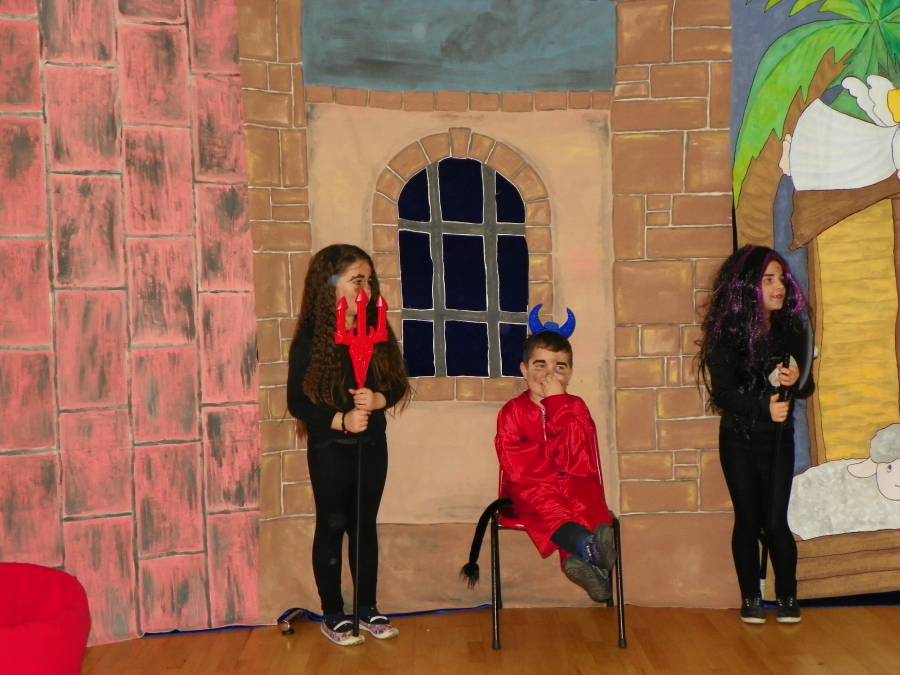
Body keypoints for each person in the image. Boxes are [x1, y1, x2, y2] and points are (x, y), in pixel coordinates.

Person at [287, 243, 409, 646]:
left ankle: (367, 607)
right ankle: (334, 612)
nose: (366, 290)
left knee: (363, 525)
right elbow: (297, 402)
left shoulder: (376, 329)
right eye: (357, 280)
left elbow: (397, 383)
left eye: (369, 281)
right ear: (330, 284)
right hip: (330, 449)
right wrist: (340, 419)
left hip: (372, 445)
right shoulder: (311, 340)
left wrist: (378, 399)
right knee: (333, 524)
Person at [697, 244, 814, 625]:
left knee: (776, 521)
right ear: (747, 286)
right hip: (739, 439)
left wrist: (796, 381)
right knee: (748, 520)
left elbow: (807, 385)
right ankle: (751, 596)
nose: (779, 287)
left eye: (781, 279)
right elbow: (724, 395)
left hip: (778, 439)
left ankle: (788, 595)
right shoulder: (725, 335)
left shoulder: (792, 327)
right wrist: (764, 406)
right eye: (768, 280)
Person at [494, 329, 616, 601]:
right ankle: (588, 547)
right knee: (544, 496)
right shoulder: (512, 412)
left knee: (583, 492)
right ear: (524, 370)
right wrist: (554, 471)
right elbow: (518, 467)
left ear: (569, 373)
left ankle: (586, 557)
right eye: (540, 365)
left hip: (573, 481)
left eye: (559, 367)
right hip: (528, 489)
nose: (549, 375)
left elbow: (579, 458)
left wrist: (557, 402)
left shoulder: (576, 407)